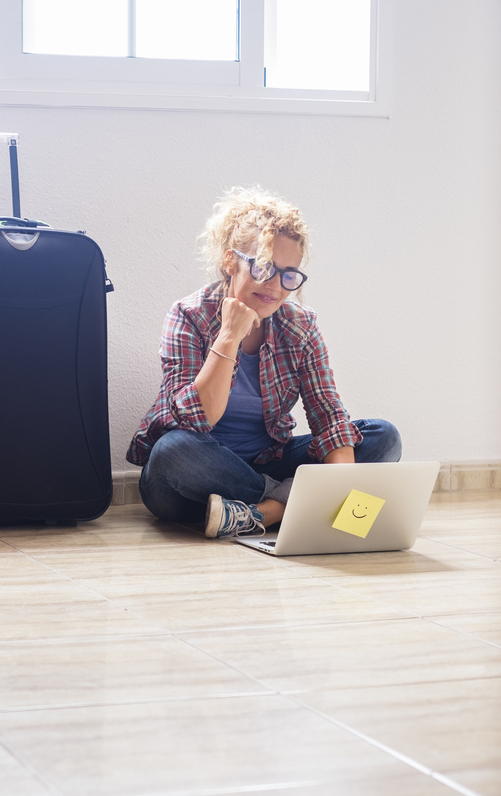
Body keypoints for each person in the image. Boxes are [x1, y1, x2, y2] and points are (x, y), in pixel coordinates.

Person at [127, 186, 401, 538]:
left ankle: (259, 513)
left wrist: (338, 478)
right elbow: (197, 419)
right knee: (173, 450)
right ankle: (294, 506)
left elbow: (328, 415)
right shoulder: (189, 316)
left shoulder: (299, 326)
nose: (275, 285)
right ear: (230, 261)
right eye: (264, 267)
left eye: (289, 274)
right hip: (193, 475)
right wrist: (229, 335)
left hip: (267, 458)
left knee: (382, 437)